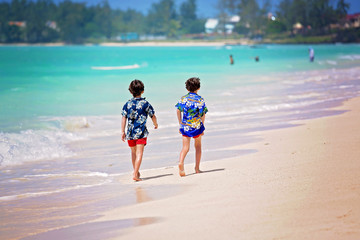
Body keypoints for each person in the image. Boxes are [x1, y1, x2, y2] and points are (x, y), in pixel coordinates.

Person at [121, 79, 158, 181]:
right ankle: (135, 173)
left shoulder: (127, 104)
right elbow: (152, 116)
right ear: (143, 91)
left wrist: (122, 131)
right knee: (139, 153)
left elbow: (123, 117)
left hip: (130, 133)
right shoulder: (146, 103)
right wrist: (156, 124)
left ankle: (136, 173)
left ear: (130, 91)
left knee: (133, 153)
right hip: (141, 133)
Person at [175, 77, 208, 177]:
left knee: (185, 147)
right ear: (198, 88)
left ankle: (181, 162)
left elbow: (178, 110)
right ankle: (197, 168)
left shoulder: (183, 98)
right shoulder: (200, 99)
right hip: (196, 126)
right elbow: (203, 114)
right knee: (198, 147)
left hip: (185, 126)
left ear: (187, 88)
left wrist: (180, 123)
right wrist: (202, 125)